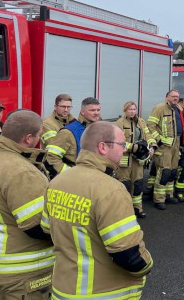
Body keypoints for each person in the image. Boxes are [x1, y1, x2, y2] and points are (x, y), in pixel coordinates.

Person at [42, 121, 153, 299]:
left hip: (63, 289)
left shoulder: (56, 182)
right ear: (103, 147)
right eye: (122, 144)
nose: (124, 149)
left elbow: (47, 230)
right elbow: (128, 254)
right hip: (103, 292)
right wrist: (147, 266)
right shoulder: (111, 189)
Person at [0, 110, 54, 299]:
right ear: (29, 138)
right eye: (39, 135)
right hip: (23, 274)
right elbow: (38, 226)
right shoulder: (21, 171)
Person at [115, 101, 155, 219]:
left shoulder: (141, 122)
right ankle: (124, 211)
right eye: (130, 109)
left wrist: (151, 146)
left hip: (138, 160)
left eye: (134, 109)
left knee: (138, 184)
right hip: (125, 160)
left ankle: (137, 208)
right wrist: (134, 148)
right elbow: (118, 142)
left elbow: (148, 135)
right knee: (124, 185)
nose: (132, 111)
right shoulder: (119, 123)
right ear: (125, 111)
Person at [44, 97, 101, 179]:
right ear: (82, 112)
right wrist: (70, 174)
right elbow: (51, 157)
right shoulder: (68, 132)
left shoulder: (100, 130)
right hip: (75, 179)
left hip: (93, 177)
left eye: (98, 110)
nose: (96, 113)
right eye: (92, 110)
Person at [147, 90, 183, 210]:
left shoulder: (178, 108)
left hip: (176, 144)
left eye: (177, 97)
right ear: (167, 97)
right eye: (173, 96)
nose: (175, 98)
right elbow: (150, 125)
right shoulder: (159, 108)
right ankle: (159, 199)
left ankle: (169, 195)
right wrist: (159, 139)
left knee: (172, 172)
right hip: (164, 147)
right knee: (164, 172)